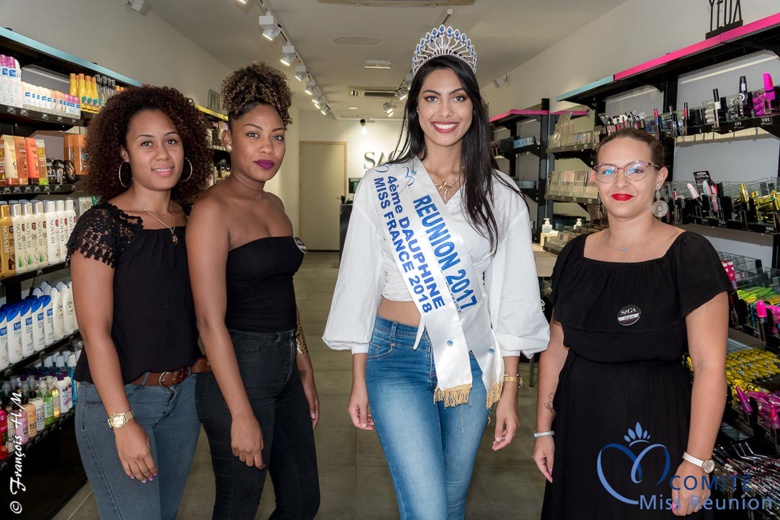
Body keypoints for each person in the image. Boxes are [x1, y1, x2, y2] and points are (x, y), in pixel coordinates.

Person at [324, 25, 550, 520]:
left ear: (474, 108)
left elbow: (511, 296)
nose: (444, 112)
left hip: (471, 361)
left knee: (448, 502)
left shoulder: (503, 194)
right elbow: (359, 284)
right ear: (416, 108)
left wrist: (510, 392)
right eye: (432, 98)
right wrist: (358, 378)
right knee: (427, 508)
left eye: (458, 98)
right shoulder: (381, 186)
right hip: (394, 357)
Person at [534, 128, 731, 519]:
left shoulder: (688, 254)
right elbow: (556, 348)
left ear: (659, 177)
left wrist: (696, 461)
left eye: (636, 169)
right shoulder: (574, 254)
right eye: (608, 170)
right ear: (595, 179)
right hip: (579, 428)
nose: (620, 182)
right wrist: (543, 429)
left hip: (654, 432)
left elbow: (711, 366)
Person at [68, 86, 212, 520]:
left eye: (171, 140)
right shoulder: (102, 225)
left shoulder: (195, 218)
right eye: (146, 143)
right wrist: (122, 422)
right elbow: (95, 333)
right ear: (124, 154)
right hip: (120, 400)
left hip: (182, 398)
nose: (162, 154)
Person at [187, 61, 320, 520]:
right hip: (237, 371)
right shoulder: (211, 210)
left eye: (277, 135)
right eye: (253, 134)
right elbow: (208, 321)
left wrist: (303, 365)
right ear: (227, 138)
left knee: (303, 500)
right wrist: (240, 412)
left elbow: (284, 294)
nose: (268, 147)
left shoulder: (275, 204)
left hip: (283, 367)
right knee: (239, 505)